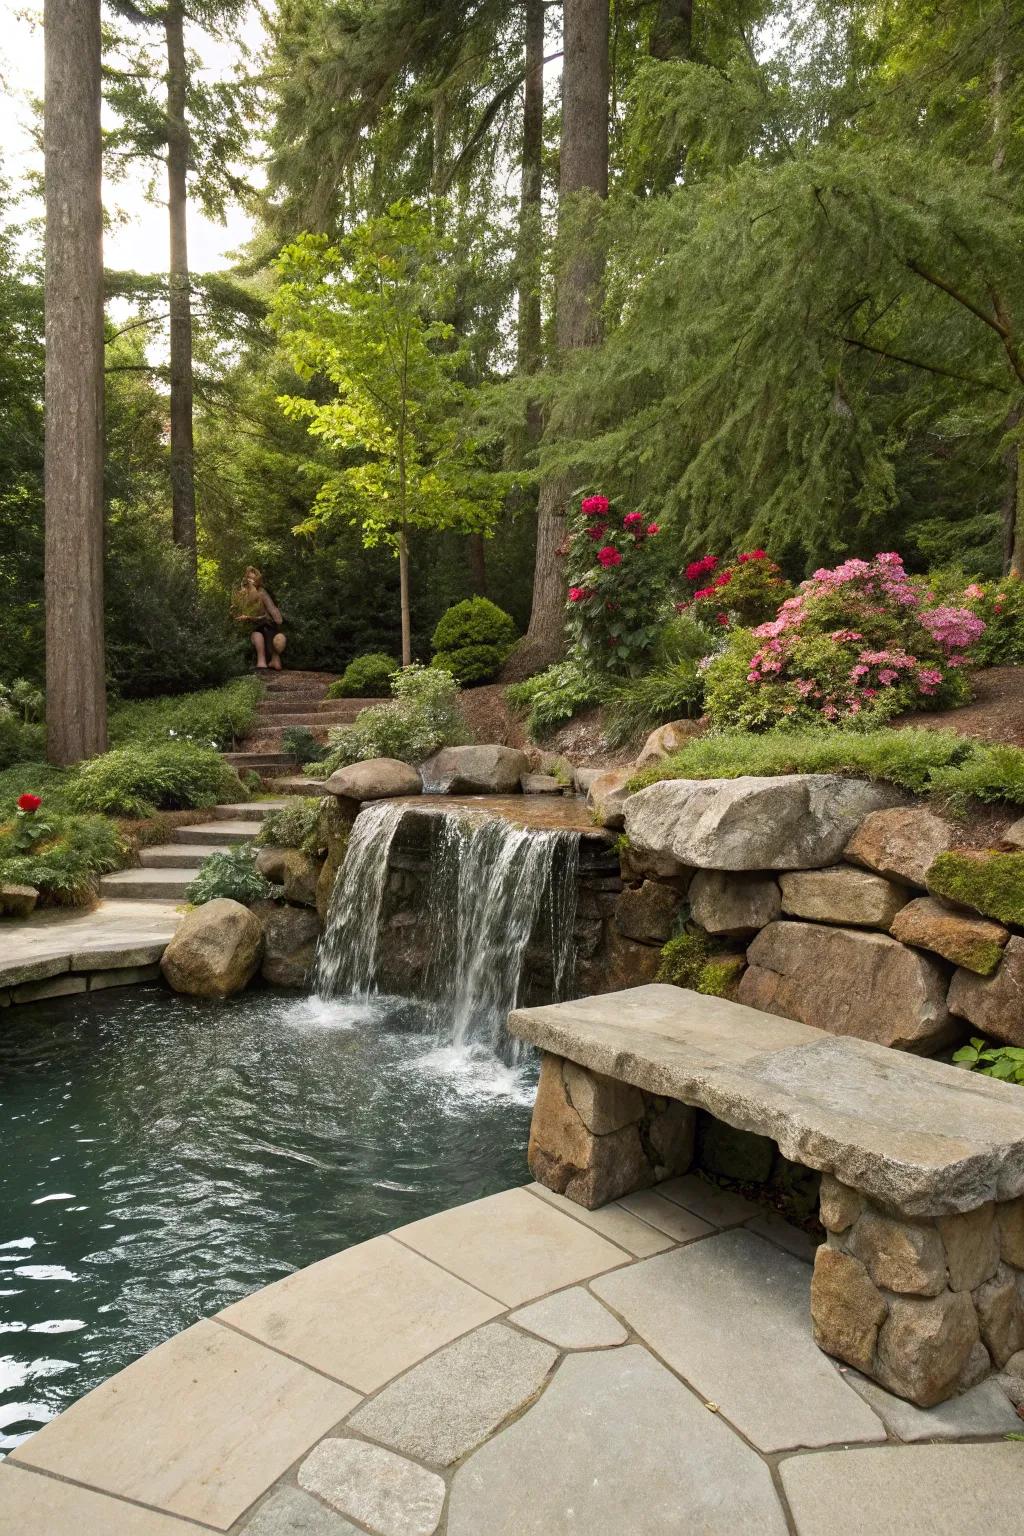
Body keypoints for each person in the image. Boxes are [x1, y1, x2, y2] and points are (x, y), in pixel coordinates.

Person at [232, 566, 286, 671]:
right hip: (254, 627)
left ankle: (268, 661)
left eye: (253, 579)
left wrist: (275, 617)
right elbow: (237, 611)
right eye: (249, 579)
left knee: (263, 632)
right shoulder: (244, 594)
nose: (251, 581)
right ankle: (268, 660)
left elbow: (274, 613)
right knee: (259, 634)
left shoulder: (261, 592)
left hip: (263, 625)